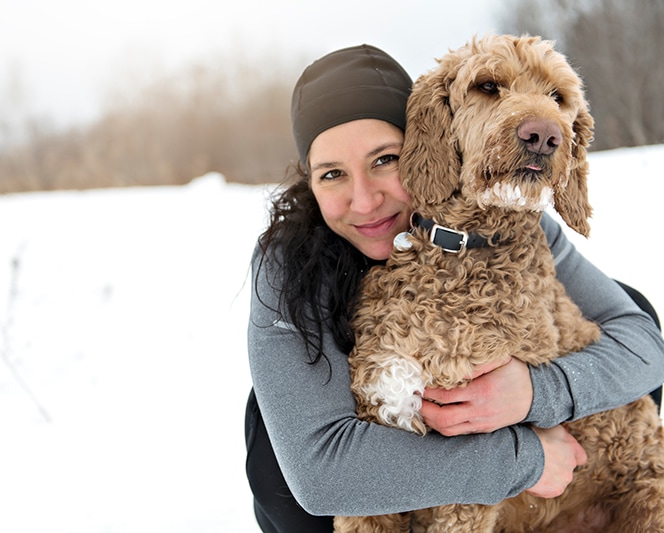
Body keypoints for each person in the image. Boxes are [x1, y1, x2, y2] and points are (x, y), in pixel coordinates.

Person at [244, 43, 664, 532]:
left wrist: (536, 393)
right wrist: (523, 459)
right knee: (274, 430)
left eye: (385, 160)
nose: (365, 200)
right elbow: (319, 476)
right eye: (332, 174)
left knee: (630, 307)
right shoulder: (285, 263)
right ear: (311, 184)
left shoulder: (509, 222)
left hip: (551, 479)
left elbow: (644, 346)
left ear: (430, 144)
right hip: (339, 473)